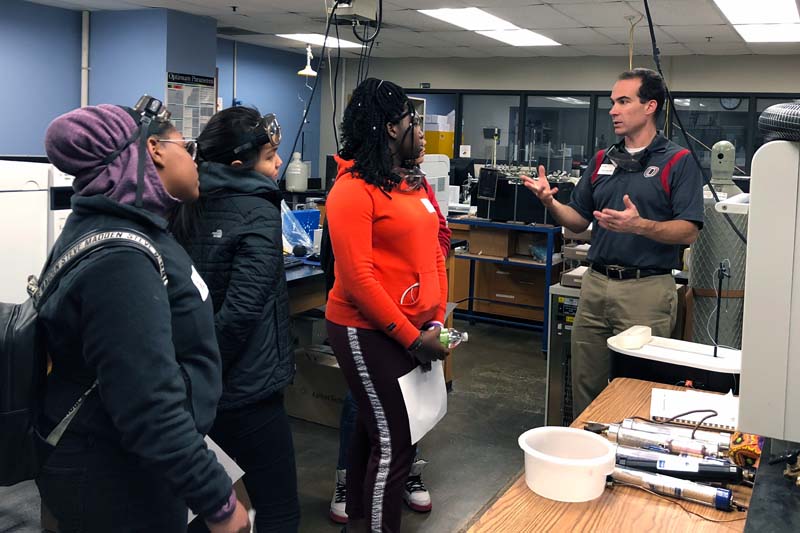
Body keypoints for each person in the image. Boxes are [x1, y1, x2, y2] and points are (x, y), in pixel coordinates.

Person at [37, 101, 250, 532]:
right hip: (112, 477)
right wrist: (218, 503)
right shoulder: (120, 259)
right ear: (153, 149)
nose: (194, 160)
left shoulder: (122, 228)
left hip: (128, 462)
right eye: (185, 147)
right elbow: (147, 401)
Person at [523, 68, 703, 415]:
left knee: (639, 388)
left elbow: (689, 230)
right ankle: (590, 457)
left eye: (623, 101)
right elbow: (577, 220)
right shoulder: (603, 160)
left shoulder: (678, 161)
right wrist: (550, 202)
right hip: (595, 286)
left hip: (646, 290)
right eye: (612, 102)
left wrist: (640, 226)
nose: (613, 110)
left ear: (650, 106)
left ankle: (626, 461)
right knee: (585, 382)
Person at [325, 78, 449, 533]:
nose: (418, 130)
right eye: (412, 121)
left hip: (413, 327)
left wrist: (435, 318)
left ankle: (358, 521)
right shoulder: (353, 190)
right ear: (392, 128)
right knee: (394, 441)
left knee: (370, 432)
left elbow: (434, 252)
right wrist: (412, 337)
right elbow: (358, 280)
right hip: (364, 329)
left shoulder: (410, 186)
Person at [172, 106, 300, 533]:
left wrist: (197, 376)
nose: (278, 164)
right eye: (269, 156)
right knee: (278, 506)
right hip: (247, 390)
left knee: (208, 501)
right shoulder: (259, 208)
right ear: (239, 165)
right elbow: (241, 313)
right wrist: (213, 370)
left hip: (194, 390)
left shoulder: (185, 200)